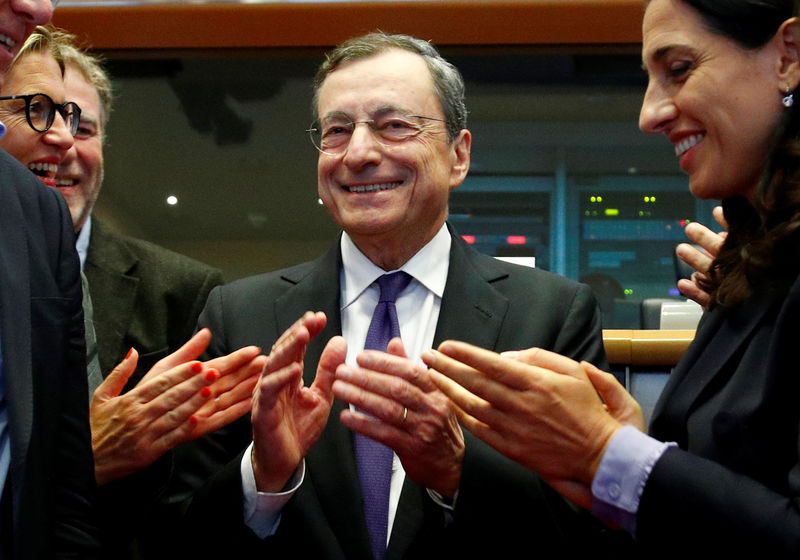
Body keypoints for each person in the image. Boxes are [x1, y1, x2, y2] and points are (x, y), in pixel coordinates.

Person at [171, 32, 611, 559]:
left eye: (394, 126)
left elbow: (591, 535)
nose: (358, 153)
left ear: (458, 156)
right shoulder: (239, 316)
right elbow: (176, 535)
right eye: (337, 131)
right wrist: (262, 477)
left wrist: (455, 473)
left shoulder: (552, 315)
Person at [423, 0, 800, 556]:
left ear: (788, 57)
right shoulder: (752, 266)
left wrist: (608, 452)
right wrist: (624, 448)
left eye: (678, 69)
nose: (649, 113)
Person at [0, 26, 268, 558]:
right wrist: (80, 453)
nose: (63, 140)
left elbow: (195, 503)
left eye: (83, 124)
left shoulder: (183, 292)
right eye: (35, 110)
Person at [0, 0, 99, 557]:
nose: (62, 138)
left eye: (69, 116)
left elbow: (65, 492)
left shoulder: (41, 226)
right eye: (35, 110)